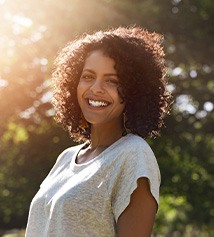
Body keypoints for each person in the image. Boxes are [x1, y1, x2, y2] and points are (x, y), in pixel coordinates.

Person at [25, 26, 172, 237]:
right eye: (88, 76)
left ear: (133, 91)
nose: (96, 88)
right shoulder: (65, 159)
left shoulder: (133, 155)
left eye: (112, 80)